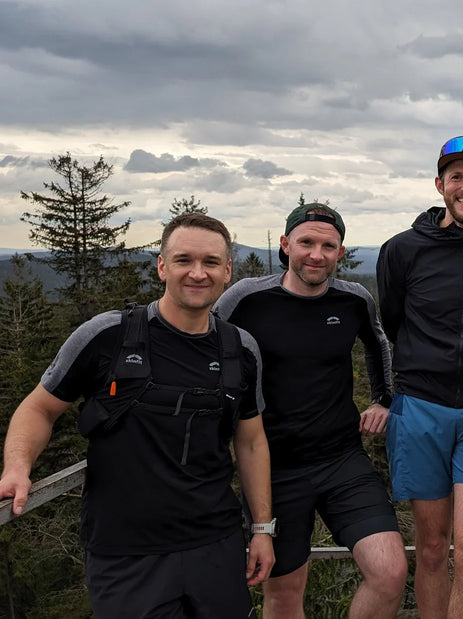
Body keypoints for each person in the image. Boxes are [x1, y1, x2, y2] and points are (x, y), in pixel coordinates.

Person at [0, 213, 273, 618]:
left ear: (227, 271)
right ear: (162, 266)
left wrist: (262, 529)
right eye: (183, 260)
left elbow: (250, 441)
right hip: (124, 551)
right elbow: (39, 408)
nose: (197, 273)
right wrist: (17, 467)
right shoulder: (107, 335)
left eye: (211, 262)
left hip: (216, 543)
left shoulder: (240, 349)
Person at [214, 203, 406, 619]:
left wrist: (383, 398)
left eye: (327, 245)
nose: (316, 254)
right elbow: (201, 347)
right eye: (306, 243)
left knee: (391, 572)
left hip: (342, 458)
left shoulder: (353, 299)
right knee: (284, 596)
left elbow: (378, 347)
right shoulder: (246, 299)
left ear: (340, 251)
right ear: (286, 245)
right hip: (273, 467)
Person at [376, 135, 463, 618]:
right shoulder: (402, 250)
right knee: (432, 550)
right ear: (439, 184)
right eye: (456, 176)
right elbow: (392, 321)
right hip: (421, 408)